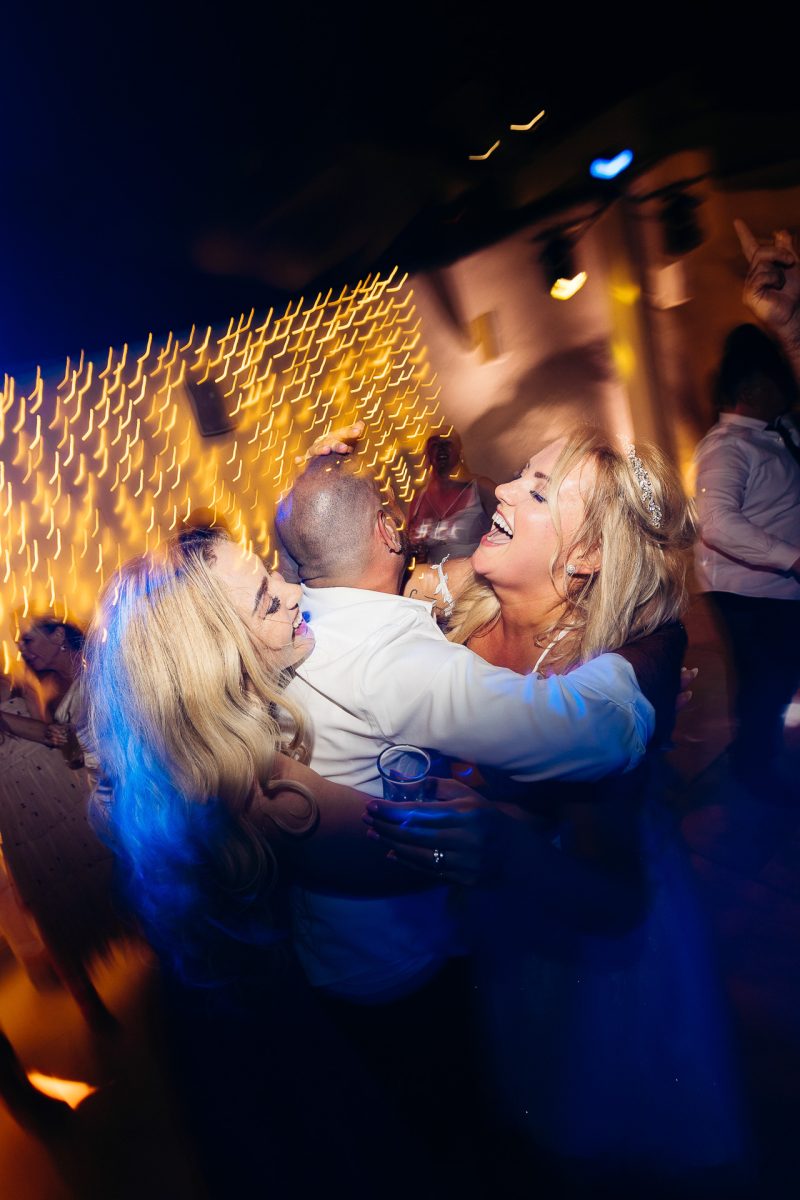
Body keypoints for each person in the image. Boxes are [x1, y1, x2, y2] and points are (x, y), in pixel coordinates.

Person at [370, 426, 749, 1195]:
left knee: (595, 1128)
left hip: (586, 944)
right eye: (521, 476)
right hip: (492, 925)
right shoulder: (456, 604)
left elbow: (614, 896)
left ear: (587, 557)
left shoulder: (597, 673)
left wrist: (503, 845)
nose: (502, 490)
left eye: (539, 492)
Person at [81, 525, 490, 1198]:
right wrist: (484, 814)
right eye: (268, 603)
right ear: (214, 659)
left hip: (204, 1019)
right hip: (278, 1035)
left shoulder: (163, 752)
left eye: (276, 577)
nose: (297, 592)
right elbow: (417, 856)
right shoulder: (258, 787)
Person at [692, 222, 800, 800]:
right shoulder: (727, 447)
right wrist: (794, 557)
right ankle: (755, 778)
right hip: (750, 595)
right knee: (765, 687)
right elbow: (717, 523)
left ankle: (759, 767)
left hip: (776, 590)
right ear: (755, 387)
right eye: (778, 383)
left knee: (777, 683)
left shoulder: (776, 431)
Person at [0, 618, 120, 1033]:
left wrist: (14, 723)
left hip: (52, 785)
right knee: (50, 900)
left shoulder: (15, 685)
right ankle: (90, 1007)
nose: (21, 650)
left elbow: (54, 735)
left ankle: (158, 950)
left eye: (27, 641)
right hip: (14, 804)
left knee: (102, 868)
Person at [406, 430, 495, 563]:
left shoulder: (481, 487)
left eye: (447, 443)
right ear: (428, 454)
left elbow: (510, 530)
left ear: (459, 450)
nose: (441, 448)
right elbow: (409, 547)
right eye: (435, 444)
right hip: (434, 580)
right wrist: (416, 551)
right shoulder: (419, 497)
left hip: (476, 580)